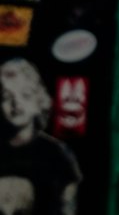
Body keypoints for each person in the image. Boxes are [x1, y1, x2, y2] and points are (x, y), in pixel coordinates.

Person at [0, 58, 81, 214]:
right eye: (6, 96)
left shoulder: (57, 155)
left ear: (39, 100)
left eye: (25, 94)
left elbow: (67, 207)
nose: (16, 103)